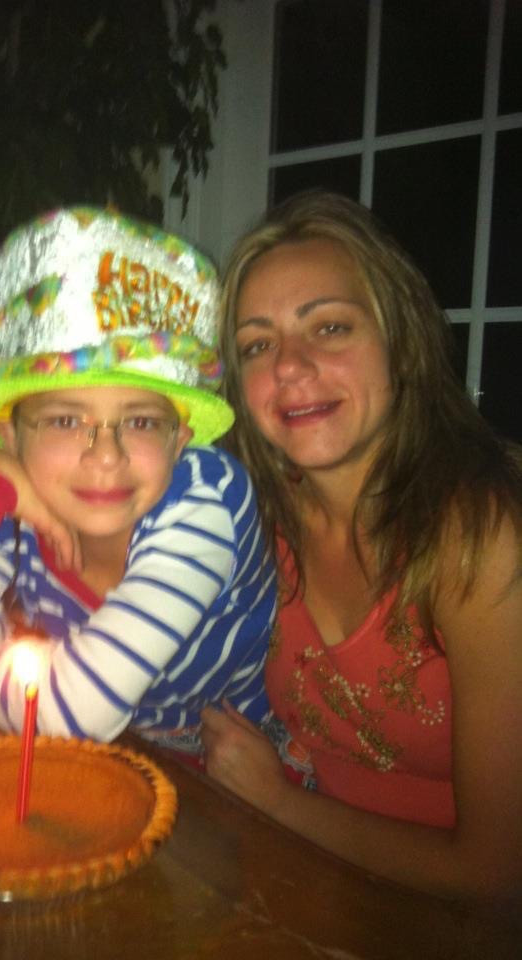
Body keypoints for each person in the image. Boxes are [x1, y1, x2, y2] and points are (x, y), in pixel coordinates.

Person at [0, 207, 277, 763]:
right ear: (11, 440)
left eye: (140, 421)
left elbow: (76, 712)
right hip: (113, 762)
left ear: (179, 440)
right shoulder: (11, 509)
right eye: (64, 420)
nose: (105, 456)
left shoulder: (206, 501)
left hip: (229, 777)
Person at [200, 189, 522, 900]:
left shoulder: (478, 538)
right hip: (293, 884)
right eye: (257, 345)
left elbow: (499, 872)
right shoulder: (251, 518)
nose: (289, 366)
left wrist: (278, 801)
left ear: (399, 343)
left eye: (329, 327)